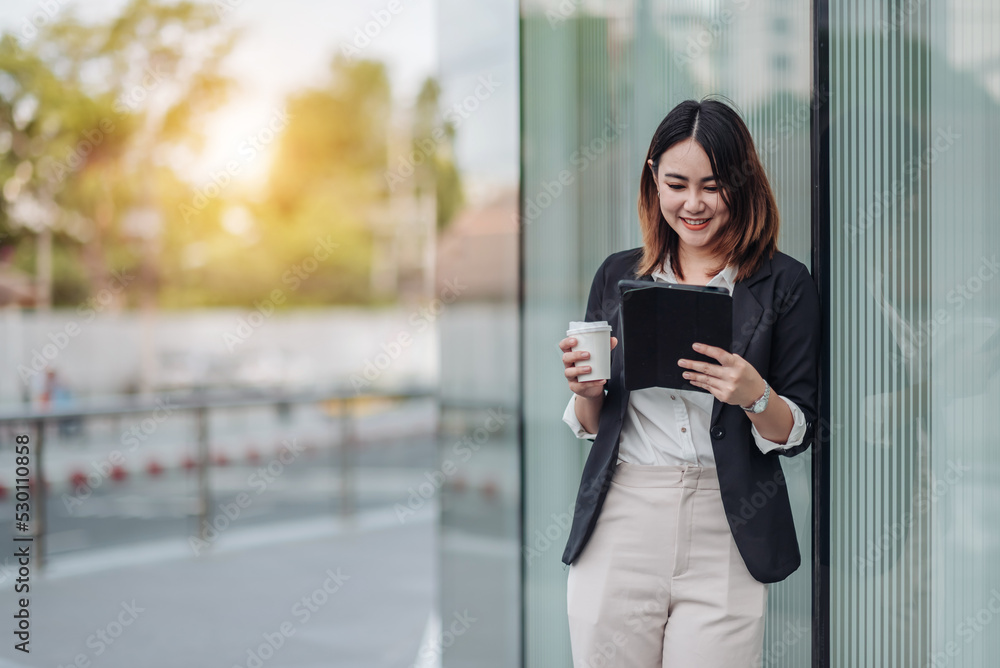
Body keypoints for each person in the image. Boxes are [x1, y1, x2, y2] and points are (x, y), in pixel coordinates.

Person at [556, 98, 821, 667]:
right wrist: (585, 392)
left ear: (742, 183)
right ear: (653, 178)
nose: (693, 204)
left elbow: (798, 431)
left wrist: (754, 394)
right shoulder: (618, 274)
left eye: (713, 186)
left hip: (728, 526)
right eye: (676, 184)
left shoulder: (786, 284)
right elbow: (592, 424)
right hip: (622, 515)